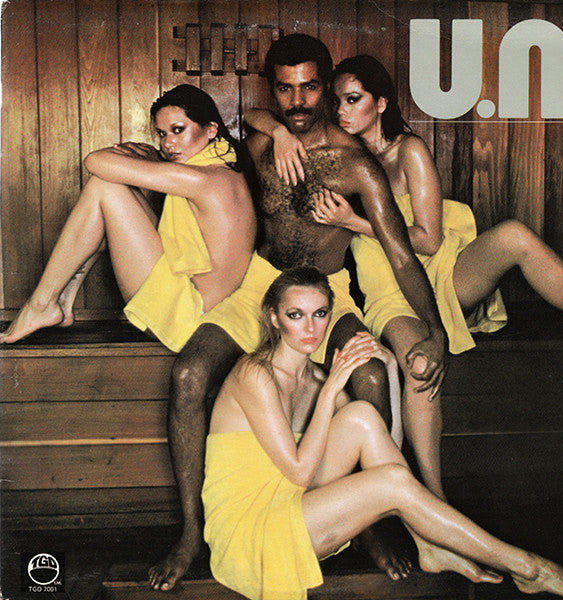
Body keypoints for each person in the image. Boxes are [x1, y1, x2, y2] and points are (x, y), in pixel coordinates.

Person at [148, 34, 449, 591]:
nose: (298, 101)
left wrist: (435, 332)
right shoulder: (261, 143)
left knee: (371, 373)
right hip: (258, 285)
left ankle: (369, 525)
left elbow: (402, 254)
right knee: (188, 374)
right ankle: (191, 531)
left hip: (326, 292)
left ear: (326, 87)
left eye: (310, 87)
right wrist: (275, 131)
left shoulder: (357, 164)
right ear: (272, 91)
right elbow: (225, 132)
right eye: (285, 90)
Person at [245, 54, 563, 502]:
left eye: (353, 100)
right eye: (336, 101)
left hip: (439, 272)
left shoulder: (408, 150)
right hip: (389, 293)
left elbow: (429, 242)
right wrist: (278, 131)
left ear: (380, 103)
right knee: (418, 365)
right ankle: (434, 497)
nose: (341, 111)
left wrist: (353, 222)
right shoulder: (339, 156)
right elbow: (256, 115)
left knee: (514, 235)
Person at [202, 265, 563, 600]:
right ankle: (526, 567)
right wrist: (332, 390)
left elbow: (382, 446)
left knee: (361, 416)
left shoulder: (316, 378)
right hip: (251, 533)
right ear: (274, 318)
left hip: (290, 505)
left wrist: (388, 368)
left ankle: (426, 543)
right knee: (388, 477)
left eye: (320, 314)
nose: (310, 327)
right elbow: (301, 472)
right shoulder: (255, 375)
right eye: (295, 315)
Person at [0, 85, 256, 353]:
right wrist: (152, 156)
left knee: (104, 186)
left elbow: (95, 161)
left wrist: (138, 155)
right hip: (197, 309)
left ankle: (42, 303)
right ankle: (60, 300)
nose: (168, 144)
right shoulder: (223, 169)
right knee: (112, 191)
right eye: (162, 134)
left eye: (178, 130)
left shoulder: (202, 179)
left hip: (186, 320)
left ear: (211, 130)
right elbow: (152, 165)